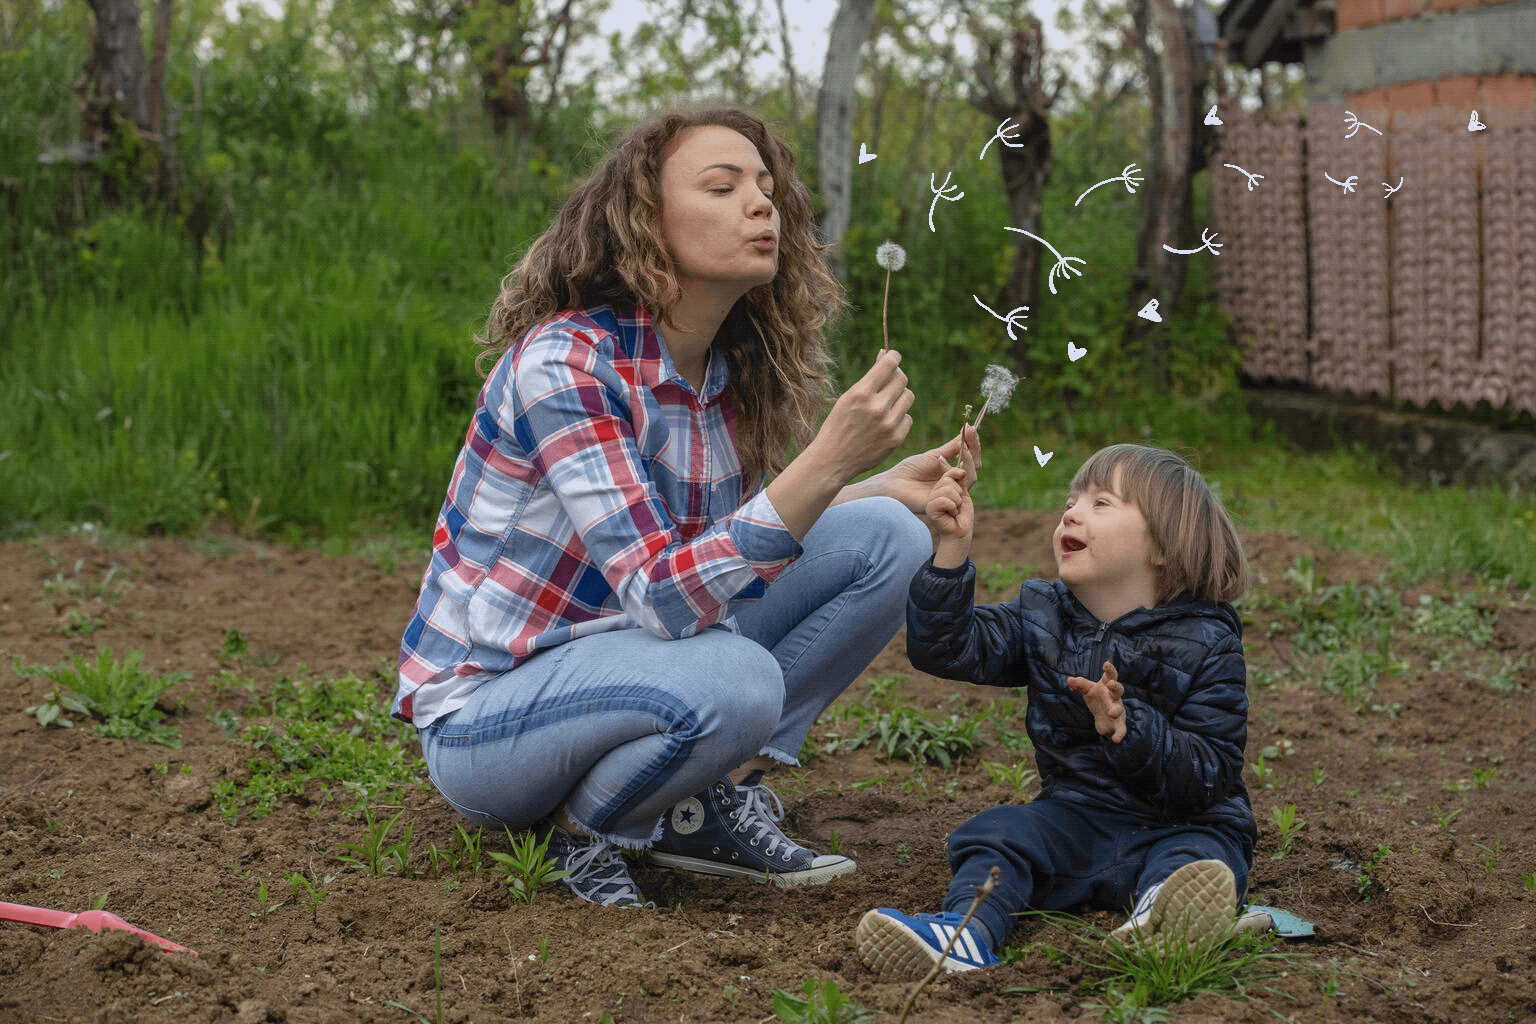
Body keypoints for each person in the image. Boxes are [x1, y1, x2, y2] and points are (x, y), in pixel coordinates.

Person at [392, 107, 982, 909]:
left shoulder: (723, 375)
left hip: (633, 661)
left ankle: (700, 798)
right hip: (494, 720)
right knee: (738, 679)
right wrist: (827, 459)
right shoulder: (568, 364)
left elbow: (718, 542)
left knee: (887, 538)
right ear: (646, 220)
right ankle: (580, 829)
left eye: (766, 188)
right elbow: (663, 593)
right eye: (722, 186)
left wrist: (872, 486)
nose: (761, 203)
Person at [856, 443, 1257, 978]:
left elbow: (1210, 772)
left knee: (1199, 858)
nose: (1071, 512)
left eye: (1101, 503)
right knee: (998, 835)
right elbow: (946, 648)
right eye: (1071, 501)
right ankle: (965, 934)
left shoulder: (1208, 641)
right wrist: (951, 550)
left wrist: (1128, 729)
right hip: (1076, 820)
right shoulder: (1043, 616)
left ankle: (1162, 920)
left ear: (1163, 546)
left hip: (1183, 823)